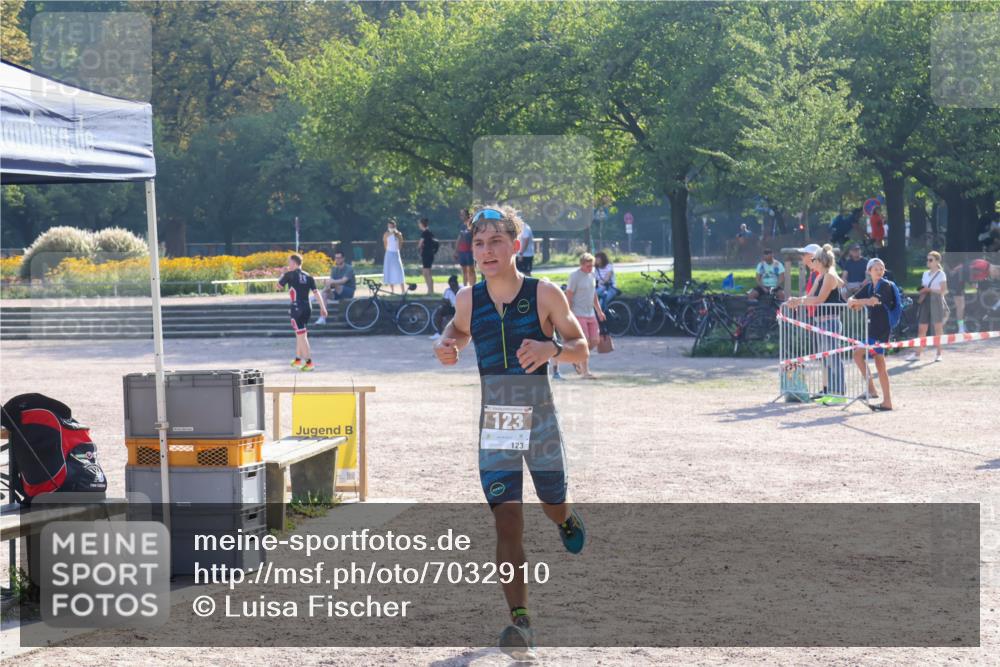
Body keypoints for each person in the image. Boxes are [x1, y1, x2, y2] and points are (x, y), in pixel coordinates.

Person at [432, 205, 588, 660]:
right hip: (498, 422)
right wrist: (448, 346)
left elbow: (582, 349)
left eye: (496, 241)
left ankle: (566, 518)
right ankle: (520, 620)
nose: (486, 250)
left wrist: (550, 347)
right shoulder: (468, 299)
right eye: (479, 243)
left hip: (539, 419)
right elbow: (457, 331)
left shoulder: (546, 295)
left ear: (515, 246)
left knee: (551, 504)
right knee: (506, 520)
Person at [786, 244, 846, 402]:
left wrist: (800, 301)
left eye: (814, 260)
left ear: (820, 261)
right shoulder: (820, 276)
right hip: (821, 323)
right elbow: (810, 296)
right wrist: (798, 301)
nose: (812, 262)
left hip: (830, 322)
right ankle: (831, 392)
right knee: (826, 359)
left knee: (833, 359)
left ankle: (839, 394)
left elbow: (819, 299)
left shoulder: (829, 276)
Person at [848, 258, 896, 411]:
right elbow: (853, 298)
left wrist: (858, 302)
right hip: (873, 329)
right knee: (863, 357)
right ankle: (873, 391)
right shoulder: (869, 285)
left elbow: (873, 301)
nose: (880, 271)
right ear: (869, 271)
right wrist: (852, 301)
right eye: (876, 269)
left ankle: (885, 400)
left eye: (882, 268)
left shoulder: (886, 286)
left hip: (881, 330)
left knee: (875, 362)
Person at [277, 253, 327, 372]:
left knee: (302, 336)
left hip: (296, 307)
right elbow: (316, 292)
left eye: (289, 262)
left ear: (294, 263)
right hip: (307, 307)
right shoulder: (308, 276)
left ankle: (309, 362)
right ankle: (298, 359)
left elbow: (278, 287)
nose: (288, 264)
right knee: (300, 333)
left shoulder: (289, 275)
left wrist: (282, 274)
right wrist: (323, 307)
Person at [565, 253, 606, 379]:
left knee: (595, 340)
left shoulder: (592, 274)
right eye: (588, 266)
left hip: (590, 313)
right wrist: (568, 313)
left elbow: (593, 294)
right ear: (581, 265)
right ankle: (585, 372)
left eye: (592, 266)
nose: (590, 268)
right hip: (578, 313)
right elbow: (569, 295)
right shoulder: (575, 276)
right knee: (585, 342)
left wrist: (599, 311)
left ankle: (577, 359)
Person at [905, 251, 948, 362]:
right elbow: (923, 287)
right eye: (927, 259)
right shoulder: (925, 274)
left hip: (936, 300)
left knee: (938, 328)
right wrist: (922, 290)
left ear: (937, 261)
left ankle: (939, 354)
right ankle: (917, 354)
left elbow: (943, 291)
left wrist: (929, 289)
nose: (928, 262)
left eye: (931, 260)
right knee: (922, 328)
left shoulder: (941, 274)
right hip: (925, 301)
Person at [318, 250, 356, 324]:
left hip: (348, 291)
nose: (337, 260)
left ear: (343, 258)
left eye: (339, 258)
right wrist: (328, 283)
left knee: (334, 284)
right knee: (325, 294)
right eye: (336, 258)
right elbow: (331, 281)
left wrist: (330, 282)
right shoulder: (334, 269)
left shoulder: (349, 268)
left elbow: (343, 281)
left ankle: (316, 296)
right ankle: (323, 317)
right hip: (337, 292)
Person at [382, 219, 405, 294]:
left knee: (399, 271)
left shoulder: (399, 234)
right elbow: (385, 244)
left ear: (394, 226)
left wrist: (396, 234)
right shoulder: (386, 234)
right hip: (389, 253)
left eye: (392, 226)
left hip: (396, 253)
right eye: (389, 226)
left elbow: (401, 243)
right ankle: (392, 291)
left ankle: (403, 290)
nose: (390, 228)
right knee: (389, 271)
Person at [455, 208, 476, 287]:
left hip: (470, 251)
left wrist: (473, 246)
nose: (461, 216)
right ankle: (465, 286)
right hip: (462, 251)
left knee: (471, 269)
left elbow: (475, 236)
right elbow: (459, 238)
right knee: (463, 270)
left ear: (467, 215)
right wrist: (456, 250)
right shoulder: (461, 226)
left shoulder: (472, 225)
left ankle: (473, 286)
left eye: (462, 214)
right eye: (460, 214)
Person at [417, 217, 439, 295]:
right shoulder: (430, 232)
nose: (418, 225)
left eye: (419, 223)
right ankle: (430, 290)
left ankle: (430, 291)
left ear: (422, 224)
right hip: (429, 254)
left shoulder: (425, 233)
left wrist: (419, 248)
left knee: (427, 273)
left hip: (426, 255)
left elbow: (420, 244)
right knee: (426, 272)